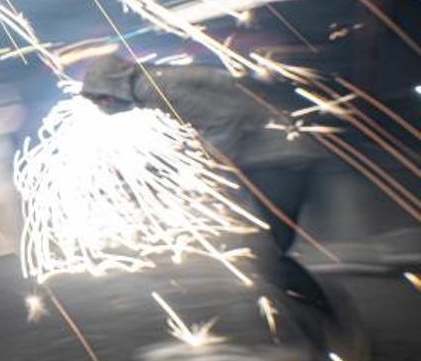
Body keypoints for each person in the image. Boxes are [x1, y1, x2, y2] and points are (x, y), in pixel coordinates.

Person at [78, 55, 331, 318]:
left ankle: (324, 320)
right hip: (271, 156)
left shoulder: (154, 88)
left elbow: (225, 120)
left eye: (101, 98)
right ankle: (310, 315)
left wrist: (203, 167)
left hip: (279, 157)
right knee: (263, 250)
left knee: (268, 252)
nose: (102, 106)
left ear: (112, 86)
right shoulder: (154, 85)